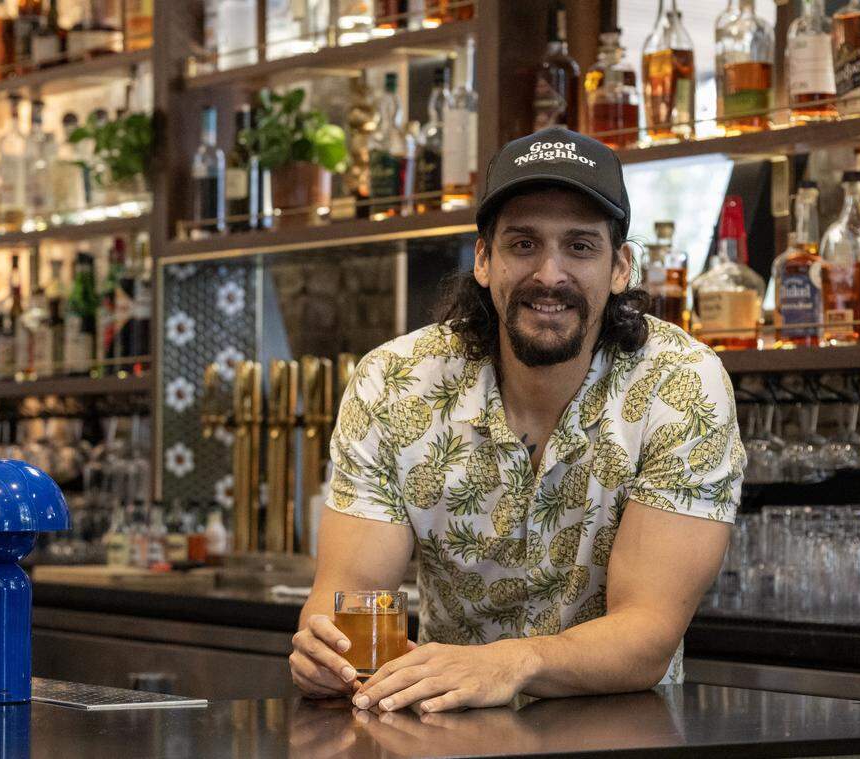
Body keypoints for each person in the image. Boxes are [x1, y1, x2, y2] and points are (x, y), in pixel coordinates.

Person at [289, 126, 744, 714]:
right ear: (483, 259)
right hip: (439, 731)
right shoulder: (394, 384)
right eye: (523, 245)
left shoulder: (681, 386)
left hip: (617, 734)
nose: (550, 274)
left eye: (580, 247)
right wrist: (324, 649)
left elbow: (647, 636)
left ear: (620, 267)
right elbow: (348, 594)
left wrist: (509, 662)